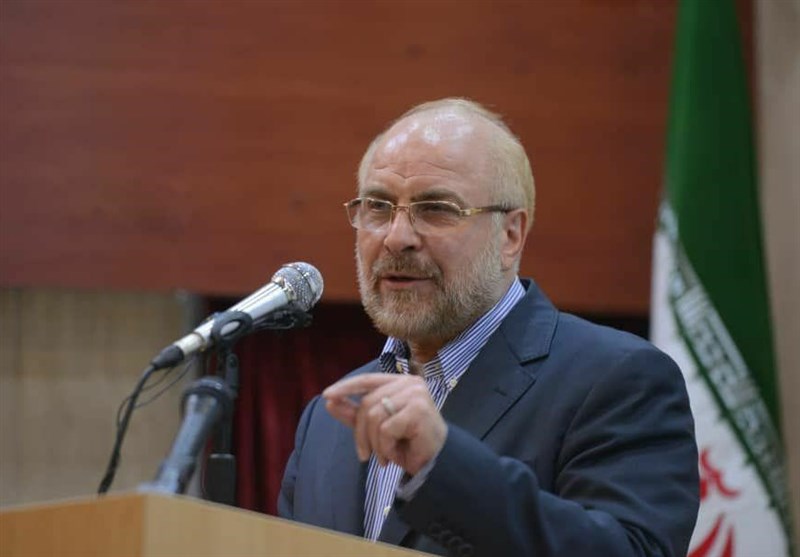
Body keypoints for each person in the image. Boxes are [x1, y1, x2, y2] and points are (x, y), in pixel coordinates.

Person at [278, 98, 699, 557]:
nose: (397, 237)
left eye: (436, 208)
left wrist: (444, 465)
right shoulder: (327, 420)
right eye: (378, 207)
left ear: (510, 235)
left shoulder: (618, 379)